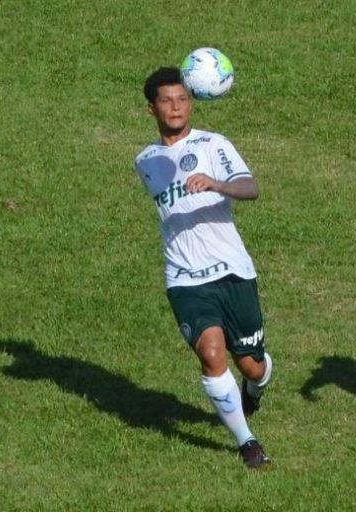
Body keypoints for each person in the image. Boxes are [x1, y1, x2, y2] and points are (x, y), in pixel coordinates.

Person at [134, 67, 273, 469]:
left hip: (232, 270)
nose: (176, 107)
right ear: (151, 108)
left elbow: (250, 187)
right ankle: (247, 443)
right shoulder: (145, 161)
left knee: (253, 365)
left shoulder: (214, 144)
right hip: (184, 278)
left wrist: (217, 184)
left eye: (182, 99)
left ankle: (254, 388)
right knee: (211, 354)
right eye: (166, 100)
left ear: (192, 103)